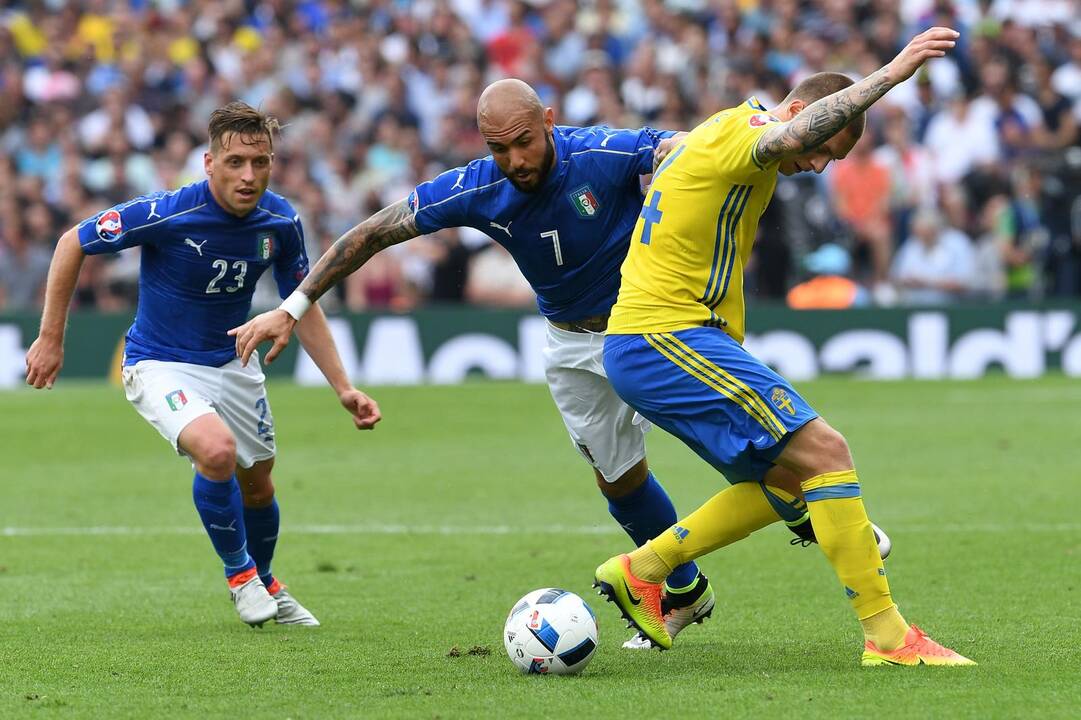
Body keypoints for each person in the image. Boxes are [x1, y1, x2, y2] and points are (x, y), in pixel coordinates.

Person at [230, 79, 889, 649]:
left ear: (547, 122)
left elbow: (679, 150)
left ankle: (820, 511)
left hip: (654, 329)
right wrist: (292, 305)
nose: (514, 159)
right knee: (618, 483)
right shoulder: (480, 187)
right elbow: (374, 230)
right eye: (497, 147)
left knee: (757, 453)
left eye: (523, 140)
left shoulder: (600, 153)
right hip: (569, 345)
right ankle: (684, 591)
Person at [593, 28, 975, 667]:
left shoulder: (720, 131)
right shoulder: (748, 138)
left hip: (657, 339)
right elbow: (785, 138)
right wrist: (890, 74)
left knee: (790, 481)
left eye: (833, 159)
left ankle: (640, 570)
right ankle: (889, 639)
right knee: (827, 450)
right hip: (663, 336)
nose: (819, 165)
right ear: (797, 113)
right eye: (823, 148)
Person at [24, 102, 382, 628]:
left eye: (261, 162)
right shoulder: (169, 211)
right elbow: (70, 242)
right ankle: (240, 577)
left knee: (259, 486)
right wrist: (51, 338)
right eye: (236, 162)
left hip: (233, 365)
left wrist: (343, 387)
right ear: (209, 162)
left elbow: (301, 305)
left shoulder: (281, 221)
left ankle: (265, 580)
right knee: (216, 452)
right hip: (159, 364)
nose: (249, 175)